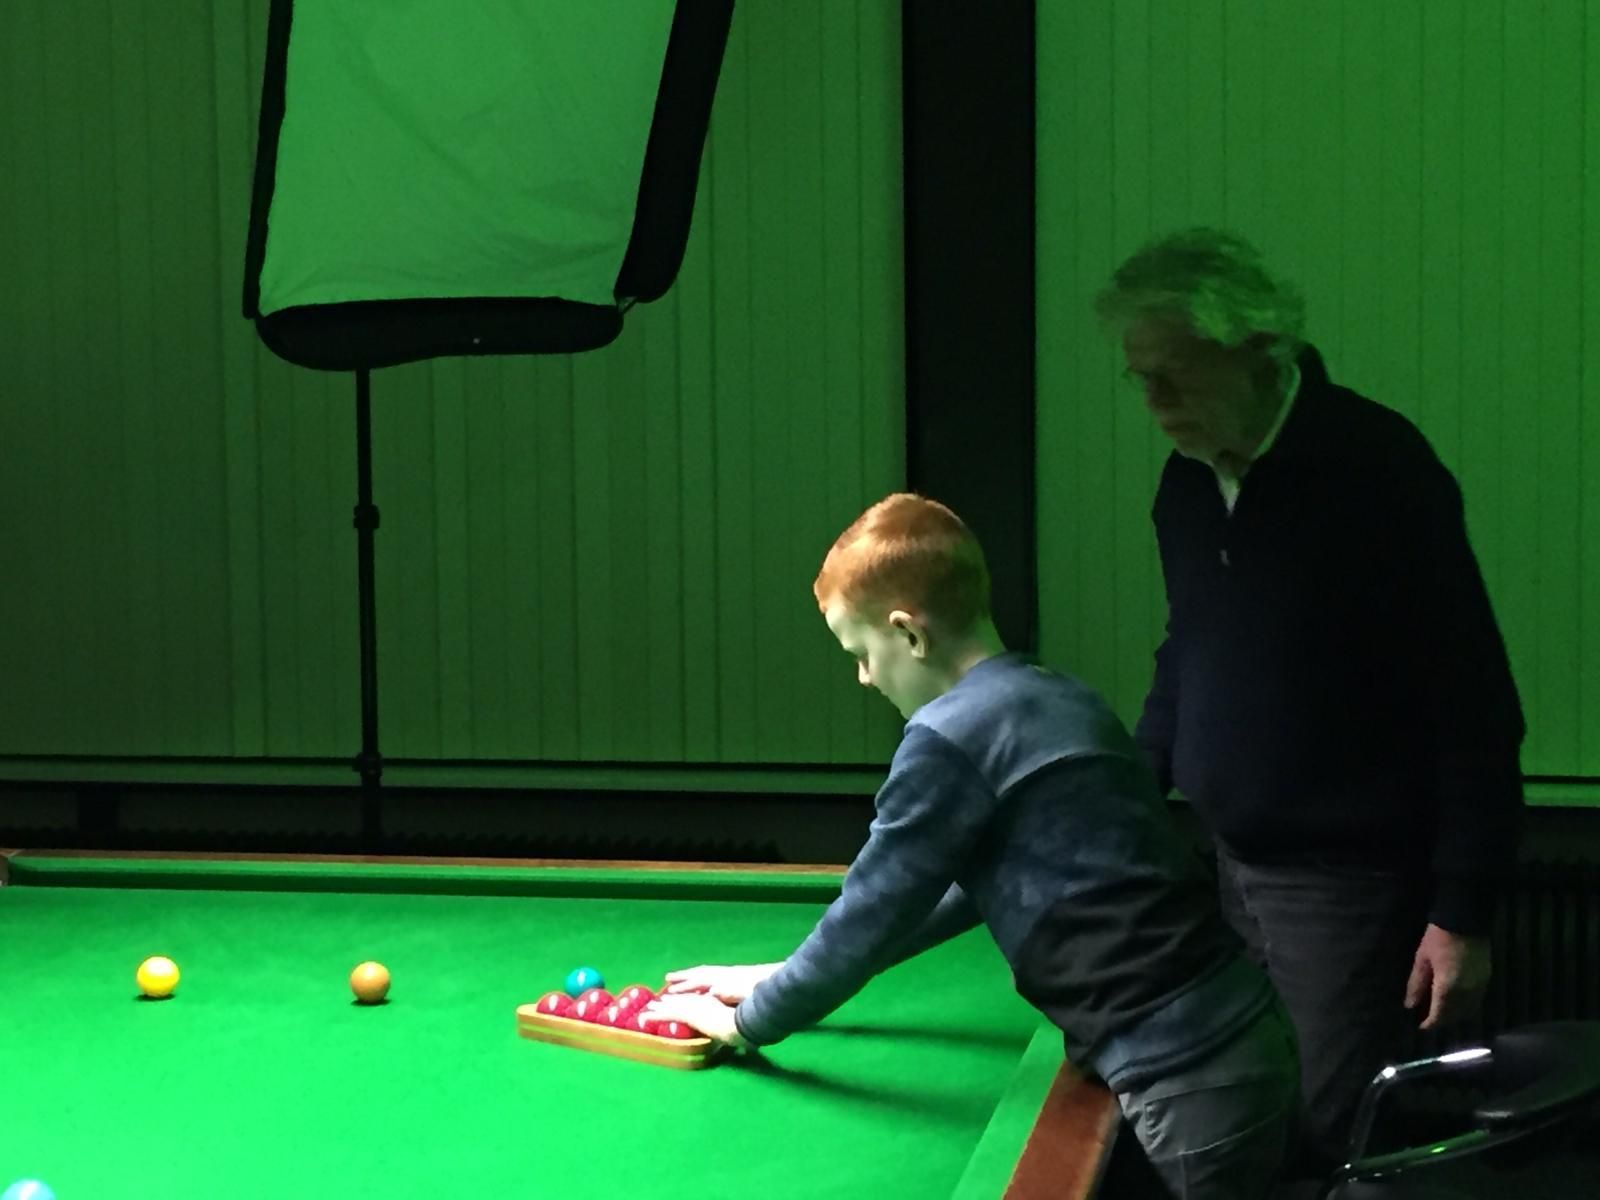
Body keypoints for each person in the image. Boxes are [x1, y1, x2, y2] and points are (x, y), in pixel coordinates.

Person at [646, 492, 1300, 1200]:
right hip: (1246, 1036)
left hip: (1186, 1080)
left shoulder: (947, 739)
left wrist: (750, 1021)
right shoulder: (1056, 694)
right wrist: (780, 975)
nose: (864, 677)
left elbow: (872, 912)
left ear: (910, 635)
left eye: (861, 654)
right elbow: (953, 890)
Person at [1092, 227, 1526, 1174]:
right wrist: (1127, 787)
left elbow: (1474, 703)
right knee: (1243, 1126)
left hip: (1350, 883)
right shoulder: (1188, 482)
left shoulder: (1378, 473)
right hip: (1228, 862)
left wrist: (1463, 913)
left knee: (1322, 1145)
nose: (1155, 401)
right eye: (1141, 379)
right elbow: (1192, 648)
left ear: (1258, 350)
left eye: (1175, 373)